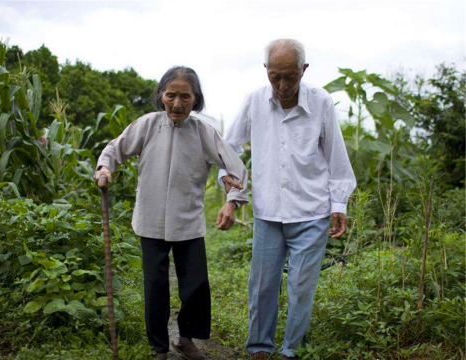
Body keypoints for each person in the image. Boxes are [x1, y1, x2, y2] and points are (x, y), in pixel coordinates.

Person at [94, 66, 248, 360]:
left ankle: (186, 339)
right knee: (155, 286)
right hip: (150, 220)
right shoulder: (148, 125)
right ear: (161, 96)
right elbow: (116, 149)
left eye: (185, 97)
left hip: (188, 220)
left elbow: (235, 166)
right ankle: (159, 347)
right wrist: (104, 167)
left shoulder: (204, 131)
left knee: (196, 285)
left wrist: (233, 199)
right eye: (171, 95)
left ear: (196, 99)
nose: (177, 103)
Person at [216, 39, 356, 360]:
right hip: (268, 213)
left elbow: (337, 159)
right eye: (275, 76)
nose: (282, 85)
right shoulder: (254, 102)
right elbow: (228, 148)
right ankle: (259, 349)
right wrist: (228, 177)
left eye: (290, 77)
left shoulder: (321, 104)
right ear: (266, 70)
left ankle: (290, 351)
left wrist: (339, 205)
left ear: (303, 70)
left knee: (300, 289)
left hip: (312, 212)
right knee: (262, 287)